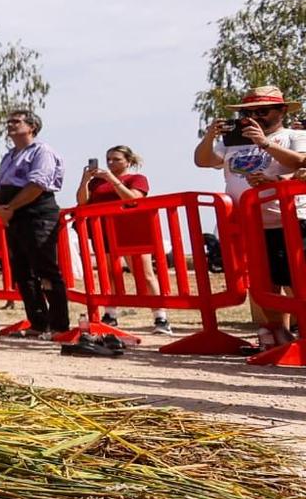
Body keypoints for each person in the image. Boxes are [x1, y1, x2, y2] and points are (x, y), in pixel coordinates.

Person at [194, 87, 306, 351]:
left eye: (262, 111)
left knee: (297, 279)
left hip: (289, 219)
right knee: (265, 282)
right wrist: (210, 136)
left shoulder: (294, 135)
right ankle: (279, 334)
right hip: (249, 223)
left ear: (281, 111)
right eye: (249, 112)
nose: (255, 116)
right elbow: (203, 161)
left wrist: (265, 144)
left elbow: (300, 162)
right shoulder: (232, 141)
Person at [77, 145, 173, 335]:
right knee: (111, 273)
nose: (111, 163)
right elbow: (82, 202)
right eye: (109, 159)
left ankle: (160, 317)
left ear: (128, 161)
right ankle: (110, 314)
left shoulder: (137, 179)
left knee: (144, 273)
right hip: (103, 231)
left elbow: (133, 200)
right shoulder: (96, 182)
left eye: (116, 159)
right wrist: (85, 180)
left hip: (131, 230)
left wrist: (112, 180)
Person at [0, 109, 69, 339]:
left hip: (36, 213)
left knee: (45, 268)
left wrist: (11, 207)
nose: (10, 125)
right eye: (9, 121)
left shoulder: (41, 151)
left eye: (16, 121)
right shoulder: (8, 156)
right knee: (23, 272)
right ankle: (38, 323)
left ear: (31, 127)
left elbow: (37, 184)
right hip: (13, 216)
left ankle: (59, 325)